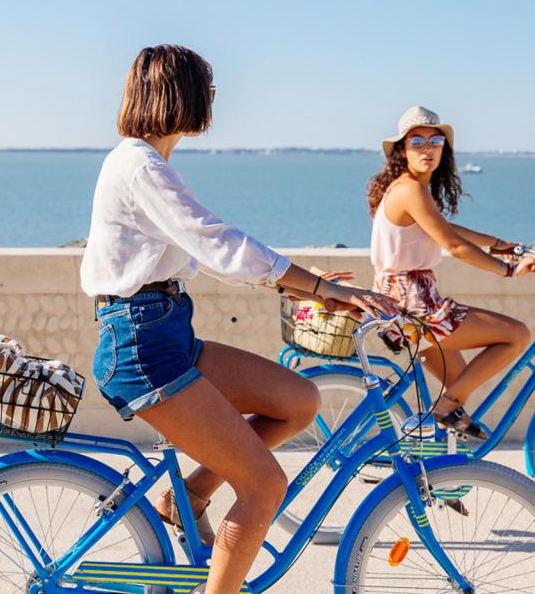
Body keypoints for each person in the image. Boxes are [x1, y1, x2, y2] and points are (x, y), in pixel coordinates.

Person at [81, 44, 398, 594]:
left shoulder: (148, 163)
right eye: (208, 89)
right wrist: (315, 285)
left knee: (298, 401)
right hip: (142, 344)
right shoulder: (138, 165)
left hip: (165, 329)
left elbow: (209, 255)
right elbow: (218, 242)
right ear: (180, 94)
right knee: (264, 486)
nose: (211, 100)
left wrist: (309, 282)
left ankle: (189, 498)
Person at [367, 105, 535, 439]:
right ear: (402, 149)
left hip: (403, 300)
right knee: (517, 335)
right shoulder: (410, 190)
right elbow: (453, 245)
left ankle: (445, 487)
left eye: (435, 140)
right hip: (415, 304)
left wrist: (503, 244)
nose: (427, 148)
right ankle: (444, 411)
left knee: (458, 398)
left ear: (444, 149)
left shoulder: (407, 188)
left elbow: (445, 228)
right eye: (417, 141)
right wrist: (509, 271)